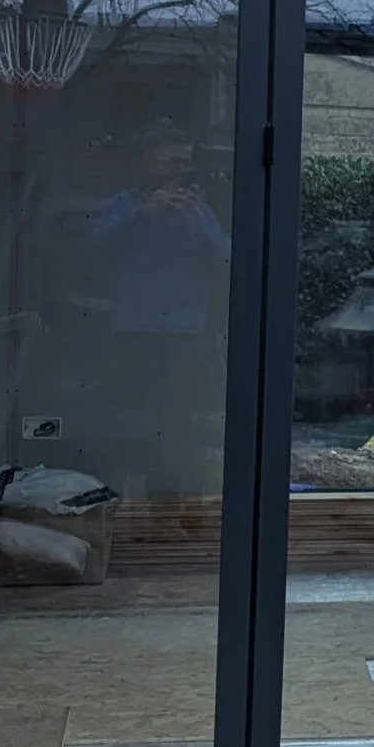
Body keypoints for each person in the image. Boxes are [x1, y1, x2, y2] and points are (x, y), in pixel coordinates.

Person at [90, 121, 232, 499]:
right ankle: (114, 504)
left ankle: (165, 510)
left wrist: (199, 218)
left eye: (184, 162)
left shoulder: (199, 211)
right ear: (146, 164)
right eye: (169, 162)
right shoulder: (120, 206)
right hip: (131, 330)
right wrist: (143, 215)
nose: (177, 170)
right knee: (127, 422)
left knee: (177, 426)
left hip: (185, 332)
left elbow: (225, 260)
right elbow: (92, 253)